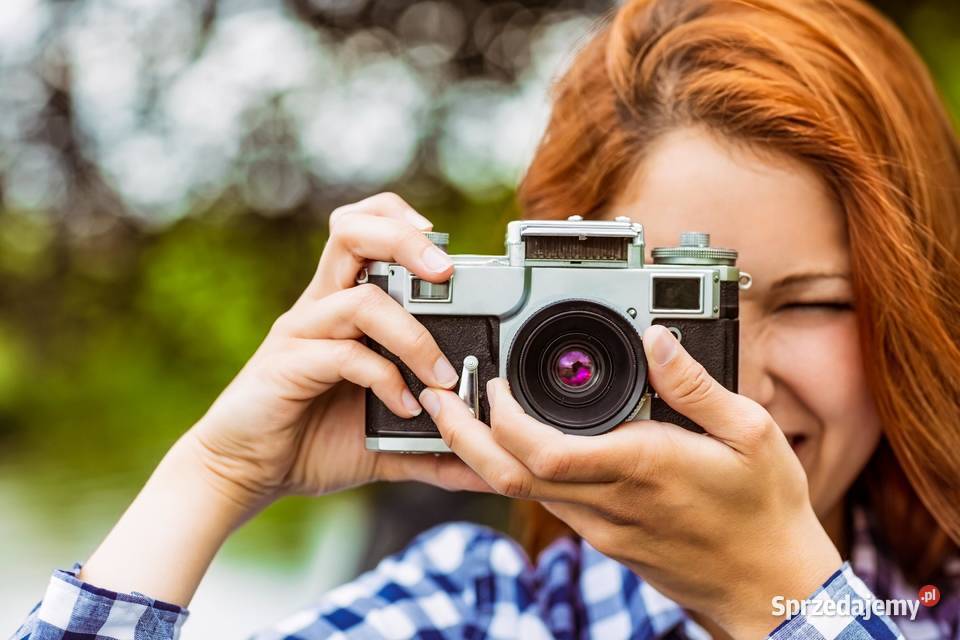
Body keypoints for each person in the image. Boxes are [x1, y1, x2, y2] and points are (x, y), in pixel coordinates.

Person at [12, 0, 960, 638]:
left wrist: (777, 600)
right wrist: (209, 478)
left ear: (917, 307)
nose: (734, 385)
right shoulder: (475, 609)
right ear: (535, 303)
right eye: (660, 304)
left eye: (818, 302)